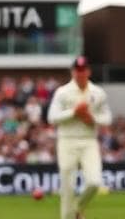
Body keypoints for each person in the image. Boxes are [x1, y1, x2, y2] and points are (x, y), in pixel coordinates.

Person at [48, 56, 112, 219]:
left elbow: (107, 118)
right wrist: (74, 112)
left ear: (88, 72)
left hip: (89, 140)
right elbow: (52, 117)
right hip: (67, 140)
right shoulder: (62, 92)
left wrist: (93, 119)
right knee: (68, 188)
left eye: (83, 71)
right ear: (73, 72)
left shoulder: (98, 93)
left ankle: (78, 208)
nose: (80, 74)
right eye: (77, 71)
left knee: (94, 182)